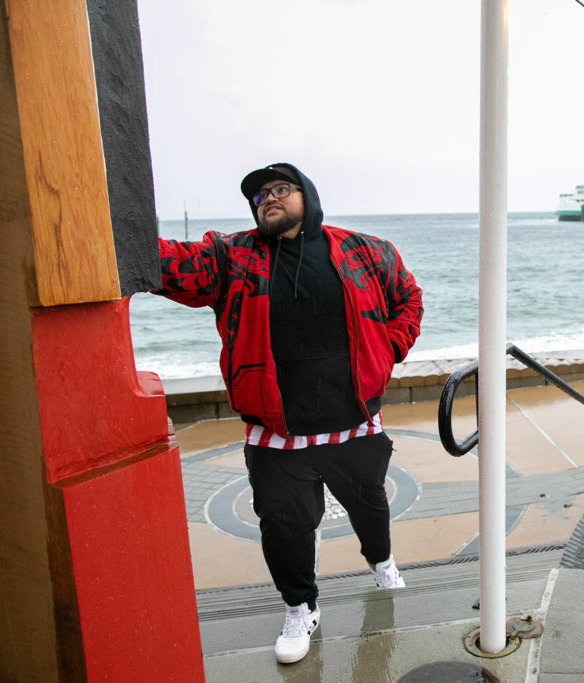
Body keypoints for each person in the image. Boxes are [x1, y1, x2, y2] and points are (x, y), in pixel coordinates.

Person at [153, 163, 423, 664]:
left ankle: (382, 564)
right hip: (276, 430)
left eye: (280, 190)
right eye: (259, 196)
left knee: (371, 508)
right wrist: (123, 233)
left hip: (355, 422)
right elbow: (170, 264)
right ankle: (301, 606)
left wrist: (388, 348)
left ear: (307, 195)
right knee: (283, 526)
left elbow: (407, 299)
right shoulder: (233, 257)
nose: (268, 199)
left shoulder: (366, 250)